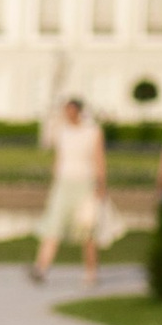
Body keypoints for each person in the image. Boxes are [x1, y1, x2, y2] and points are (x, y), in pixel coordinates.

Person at [32, 93, 108, 287]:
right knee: (53, 224)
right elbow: (59, 158)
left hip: (85, 183)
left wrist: (100, 185)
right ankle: (40, 267)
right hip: (64, 183)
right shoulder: (62, 131)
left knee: (87, 229)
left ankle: (91, 272)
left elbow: (99, 159)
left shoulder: (93, 131)